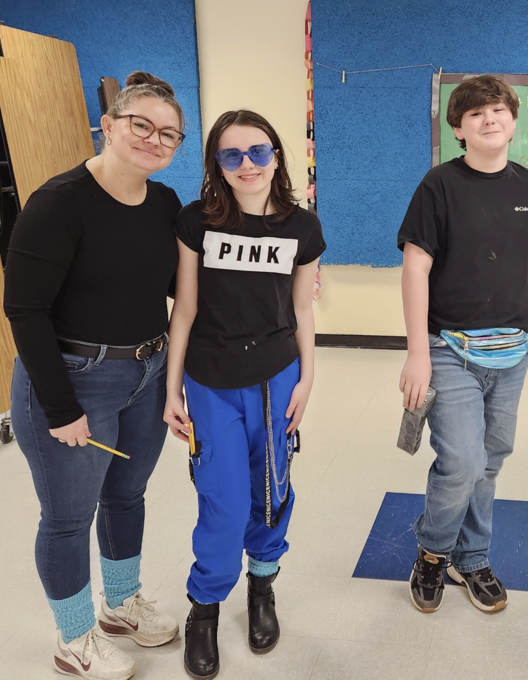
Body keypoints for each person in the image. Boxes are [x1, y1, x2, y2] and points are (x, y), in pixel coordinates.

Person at [4, 72, 185, 680]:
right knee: (66, 518)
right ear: (107, 125)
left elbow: (177, 291)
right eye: (142, 125)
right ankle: (74, 637)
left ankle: (121, 604)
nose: (154, 140)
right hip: (74, 379)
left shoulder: (164, 204)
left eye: (169, 134)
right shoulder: (59, 202)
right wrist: (59, 409)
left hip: (147, 372)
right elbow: (24, 310)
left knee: (127, 495)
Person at [163, 109, 324, 678]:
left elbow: (303, 309)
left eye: (258, 151)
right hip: (210, 382)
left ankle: (262, 587)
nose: (247, 164)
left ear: (277, 155)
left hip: (277, 377)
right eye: (232, 155)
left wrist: (307, 377)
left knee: (272, 489)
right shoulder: (194, 222)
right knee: (224, 503)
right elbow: (183, 310)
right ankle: (204, 609)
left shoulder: (301, 228)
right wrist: (171, 387)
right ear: (216, 165)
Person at [398, 74, 528, 614]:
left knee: (491, 460)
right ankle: (432, 551)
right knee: (462, 462)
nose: (489, 119)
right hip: (449, 348)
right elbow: (415, 267)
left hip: (512, 351)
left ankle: (474, 557)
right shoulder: (439, 185)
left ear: (513, 120)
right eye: (475, 114)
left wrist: (524, 295)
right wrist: (417, 351)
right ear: (459, 128)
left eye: (498, 110)